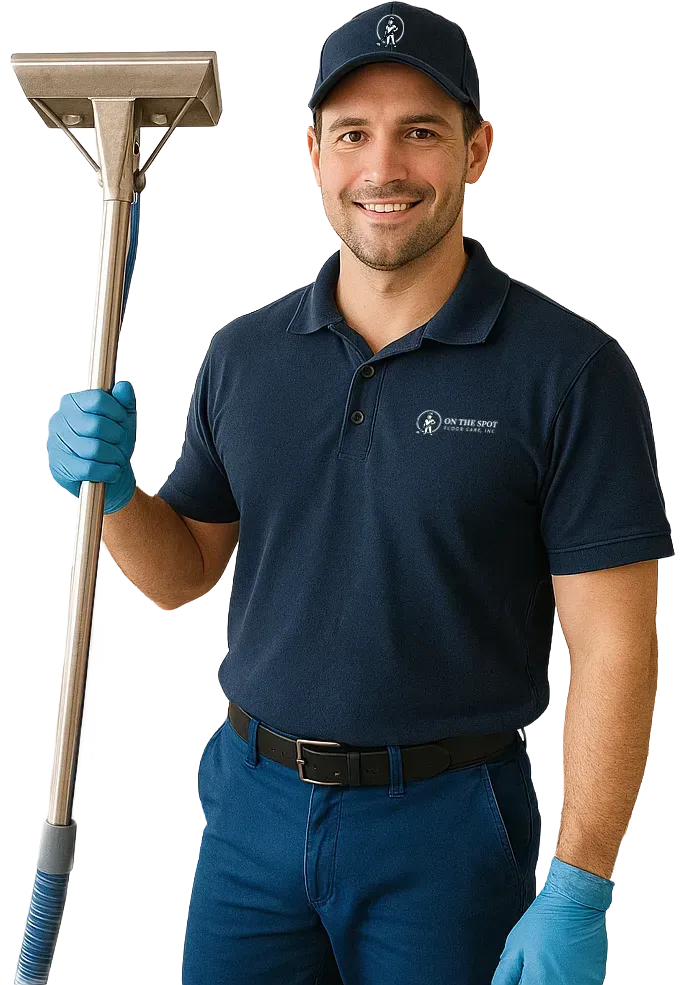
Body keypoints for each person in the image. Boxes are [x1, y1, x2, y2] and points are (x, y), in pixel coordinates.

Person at [46, 3, 675, 983]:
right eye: (352, 134)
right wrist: (119, 491)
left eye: (420, 131)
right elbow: (181, 575)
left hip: (447, 827)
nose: (382, 166)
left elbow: (616, 641)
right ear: (312, 154)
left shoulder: (570, 372)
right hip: (251, 813)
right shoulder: (245, 356)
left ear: (477, 150)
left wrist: (580, 879)